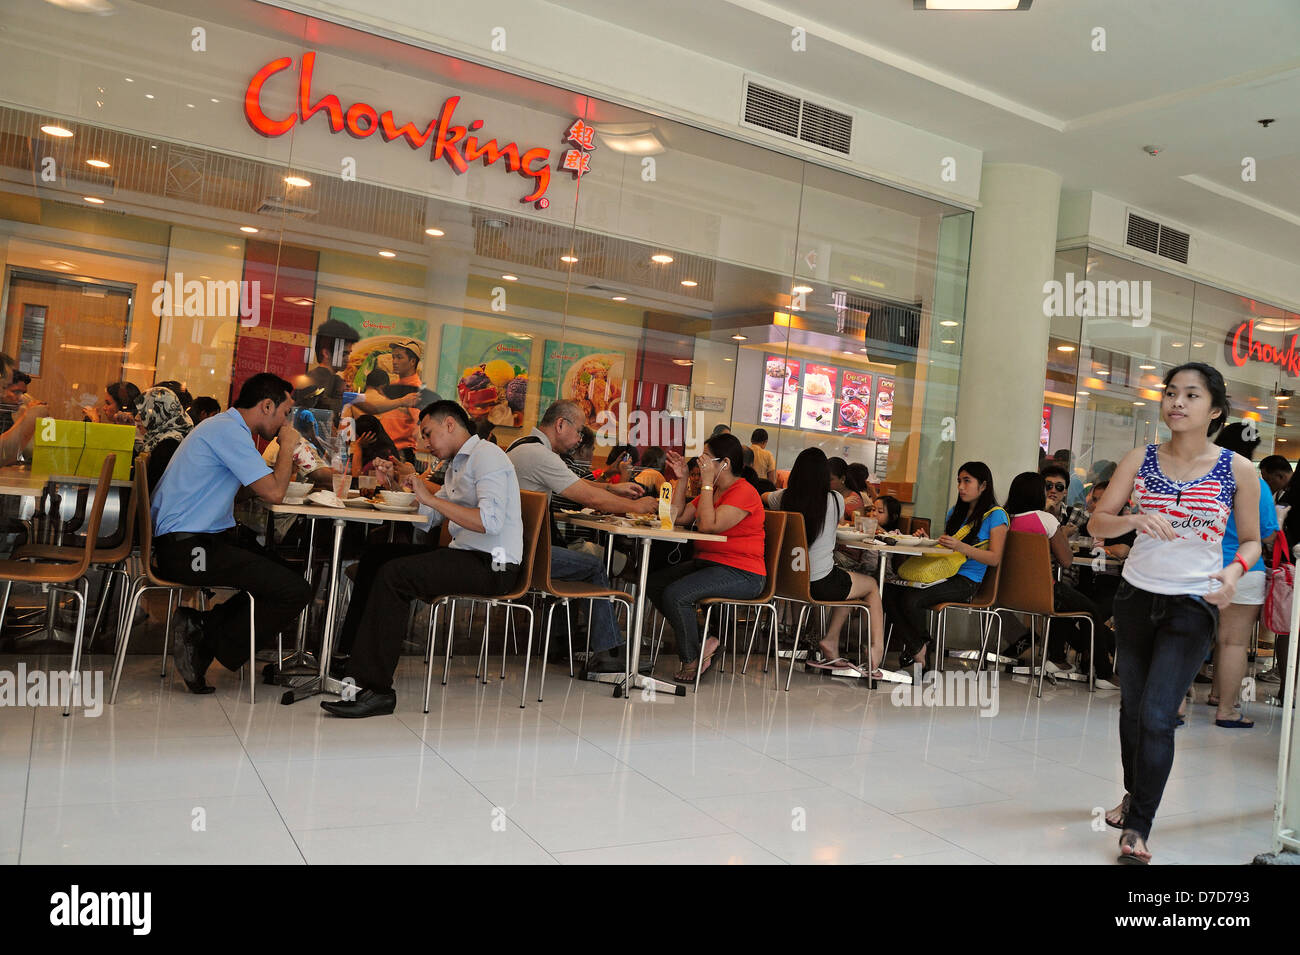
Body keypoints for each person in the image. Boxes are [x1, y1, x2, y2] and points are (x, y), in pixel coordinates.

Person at [1089, 362, 1260, 865]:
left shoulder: (1238, 469)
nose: (1176, 403)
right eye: (1170, 393)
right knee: (1132, 711)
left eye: (1190, 395)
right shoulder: (1139, 458)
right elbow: (1099, 523)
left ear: (1216, 410)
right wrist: (1133, 517)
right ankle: (1133, 795)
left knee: (1160, 716)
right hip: (1137, 597)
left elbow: (1252, 539)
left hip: (1193, 602)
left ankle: (1138, 828)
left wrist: (1233, 573)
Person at [323, 401, 523, 717]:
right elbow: (431, 515)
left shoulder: (488, 457)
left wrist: (429, 496)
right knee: (377, 557)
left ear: (450, 425)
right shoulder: (459, 464)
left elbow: (490, 522)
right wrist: (402, 487)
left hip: (494, 564)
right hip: (467, 555)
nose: (426, 443)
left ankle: (376, 689)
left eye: (428, 434)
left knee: (395, 574)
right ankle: (348, 657)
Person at [151, 373, 314, 694]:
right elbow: (274, 493)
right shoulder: (228, 431)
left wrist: (272, 476)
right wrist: (288, 447)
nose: (287, 421)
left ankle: (202, 629)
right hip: (186, 551)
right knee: (293, 590)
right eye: (285, 412)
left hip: (198, 541)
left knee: (288, 575)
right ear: (267, 406)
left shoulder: (225, 427)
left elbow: (248, 490)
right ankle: (203, 633)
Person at [505, 400, 656, 672]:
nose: (579, 439)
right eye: (579, 431)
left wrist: (613, 489)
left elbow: (576, 483)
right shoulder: (540, 455)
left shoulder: (523, 446)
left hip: (518, 548)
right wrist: (636, 507)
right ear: (560, 424)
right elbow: (585, 496)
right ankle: (607, 652)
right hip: (528, 556)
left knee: (578, 561)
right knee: (593, 566)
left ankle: (563, 642)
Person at [648, 433, 766, 682]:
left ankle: (691, 657)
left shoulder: (744, 492)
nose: (700, 463)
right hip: (711, 564)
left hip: (743, 572)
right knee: (656, 583)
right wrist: (681, 480)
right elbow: (678, 517)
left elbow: (709, 525)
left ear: (725, 463)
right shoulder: (713, 492)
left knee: (676, 595)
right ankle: (703, 640)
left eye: (706, 458)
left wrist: (706, 483)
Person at [763, 448, 885, 677]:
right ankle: (868, 652)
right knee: (868, 584)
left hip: (786, 582)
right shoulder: (836, 499)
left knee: (847, 579)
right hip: (820, 582)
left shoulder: (782, 497)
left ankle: (812, 638)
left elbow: (763, 497)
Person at [883, 462, 1008, 669]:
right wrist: (929, 541)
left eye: (967, 481)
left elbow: (994, 558)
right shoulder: (955, 512)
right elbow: (947, 551)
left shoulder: (996, 515)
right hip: (943, 572)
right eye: (959, 481)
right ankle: (919, 644)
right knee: (888, 590)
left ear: (983, 485)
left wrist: (962, 547)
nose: (961, 487)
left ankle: (918, 650)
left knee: (911, 599)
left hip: (968, 580)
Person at [1002, 471, 1117, 687]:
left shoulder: (1004, 519)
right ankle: (1103, 673)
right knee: (1090, 611)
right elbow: (1066, 560)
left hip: (1011, 593)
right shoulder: (1045, 519)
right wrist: (1061, 534)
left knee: (1069, 607)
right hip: (1045, 590)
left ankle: (1057, 659)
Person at [1207, 422, 1278, 729]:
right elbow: (1267, 534)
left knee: (1192, 635)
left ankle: (1177, 707)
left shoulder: (1205, 477)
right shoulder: (1258, 484)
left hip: (1204, 566)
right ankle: (1225, 708)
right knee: (1233, 643)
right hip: (1247, 570)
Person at [139, 385, 194, 491]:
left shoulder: (168, 443)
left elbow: (149, 484)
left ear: (159, 413)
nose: (138, 418)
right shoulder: (173, 434)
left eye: (144, 413)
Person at [308, 318, 360, 415]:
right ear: (326, 353)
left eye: (348, 354)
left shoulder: (335, 379)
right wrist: (346, 399)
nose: (347, 359)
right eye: (344, 354)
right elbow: (321, 409)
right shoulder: (315, 379)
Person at [828, 456, 866, 523]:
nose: (826, 482)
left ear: (842, 479)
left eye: (830, 479)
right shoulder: (827, 494)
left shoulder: (853, 499)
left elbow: (859, 524)